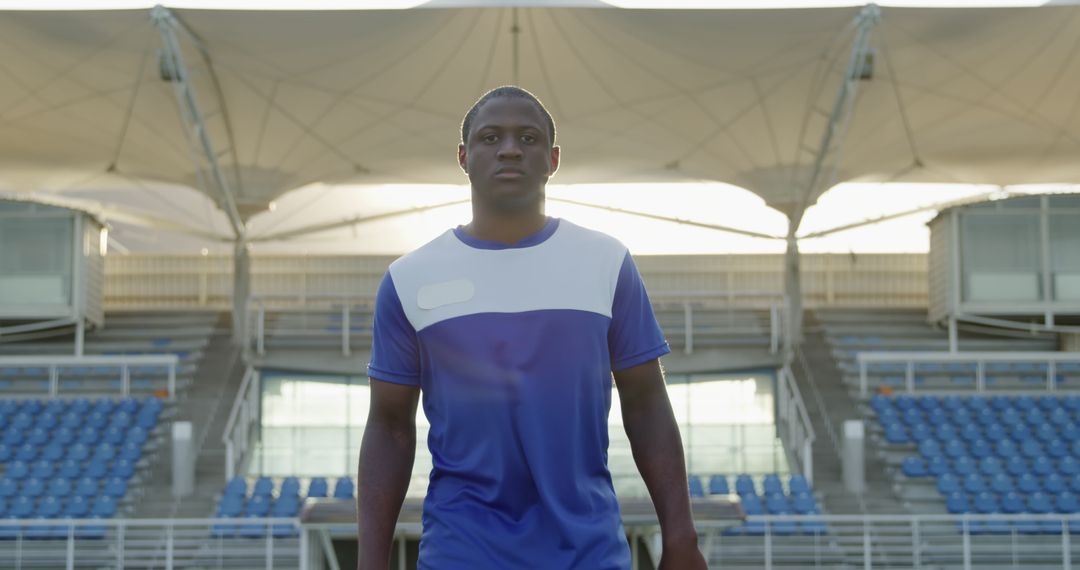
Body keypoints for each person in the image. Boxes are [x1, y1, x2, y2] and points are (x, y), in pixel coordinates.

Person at [357, 86, 707, 570]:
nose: (509, 149)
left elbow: (646, 401)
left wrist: (681, 536)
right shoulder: (410, 278)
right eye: (489, 137)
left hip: (589, 553)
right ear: (463, 157)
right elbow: (390, 427)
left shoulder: (606, 262)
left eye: (527, 137)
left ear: (553, 158)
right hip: (462, 553)